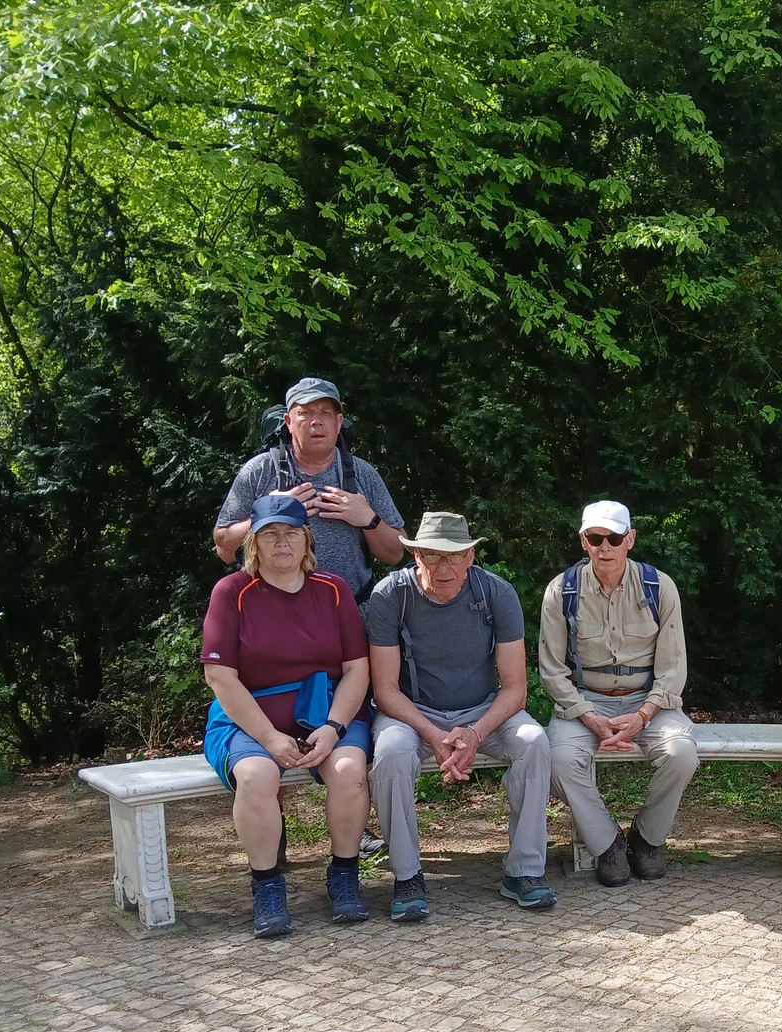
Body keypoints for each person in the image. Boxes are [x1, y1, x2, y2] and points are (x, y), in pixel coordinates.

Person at [365, 512, 557, 921]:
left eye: (454, 556)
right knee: (392, 752)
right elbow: (385, 690)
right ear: (415, 557)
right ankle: (407, 876)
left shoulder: (497, 594)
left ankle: (524, 871)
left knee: (533, 741)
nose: (443, 567)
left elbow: (515, 689)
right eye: (432, 556)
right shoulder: (389, 596)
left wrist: (474, 731)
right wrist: (435, 735)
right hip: (412, 713)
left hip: (484, 710)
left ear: (471, 556)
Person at [201, 495, 374, 937]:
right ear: (253, 542)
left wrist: (334, 728)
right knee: (258, 776)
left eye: (291, 533)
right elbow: (220, 676)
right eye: (270, 534)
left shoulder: (333, 589)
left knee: (351, 769)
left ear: (306, 540)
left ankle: (344, 876)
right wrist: (271, 737)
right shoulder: (232, 591)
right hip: (249, 717)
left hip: (329, 712)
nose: (282, 543)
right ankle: (267, 886)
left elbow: (357, 669)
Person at [539, 502, 699, 885]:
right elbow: (551, 669)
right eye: (596, 538)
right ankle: (608, 843)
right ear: (584, 541)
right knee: (556, 763)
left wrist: (643, 715)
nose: (605, 546)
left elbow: (673, 668)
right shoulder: (562, 590)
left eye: (614, 537)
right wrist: (587, 715)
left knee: (682, 754)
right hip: (584, 702)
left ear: (630, 539)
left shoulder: (659, 587)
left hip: (647, 701)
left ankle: (645, 839)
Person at [214, 378, 409, 602]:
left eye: (325, 413)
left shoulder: (362, 474)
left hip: (349, 615)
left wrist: (369, 519)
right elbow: (224, 550)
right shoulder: (259, 470)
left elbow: (395, 554)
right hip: (272, 616)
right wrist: (267, 512)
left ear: (338, 422)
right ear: (288, 421)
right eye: (305, 412)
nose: (316, 421)